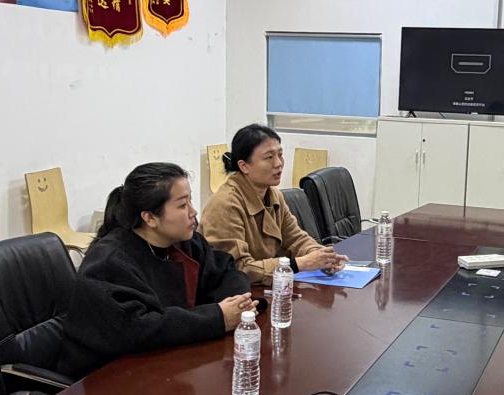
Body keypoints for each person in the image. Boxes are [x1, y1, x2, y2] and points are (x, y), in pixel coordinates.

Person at [58, 162, 255, 378]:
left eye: (190, 200)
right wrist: (217, 317)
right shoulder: (109, 263)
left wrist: (237, 304)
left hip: (167, 364)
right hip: (106, 378)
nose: (193, 211)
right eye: (183, 205)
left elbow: (226, 271)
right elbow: (139, 329)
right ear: (150, 218)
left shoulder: (184, 242)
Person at [200, 124, 346, 284]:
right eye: (269, 157)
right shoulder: (226, 204)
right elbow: (239, 269)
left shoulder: (273, 194)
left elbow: (296, 238)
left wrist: (323, 257)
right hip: (235, 293)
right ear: (244, 166)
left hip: (267, 287)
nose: (278, 163)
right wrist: (300, 264)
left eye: (280, 155)